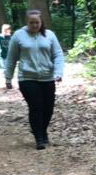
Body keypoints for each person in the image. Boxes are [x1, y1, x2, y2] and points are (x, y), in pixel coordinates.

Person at [4, 10, 64, 149]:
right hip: (27, 78)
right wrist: (8, 77)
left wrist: (58, 72)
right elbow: (11, 57)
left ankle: (42, 131)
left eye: (37, 22)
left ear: (41, 22)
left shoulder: (49, 35)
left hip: (47, 77)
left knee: (48, 108)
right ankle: (39, 138)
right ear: (27, 22)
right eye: (31, 22)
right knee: (35, 106)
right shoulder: (18, 35)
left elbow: (58, 54)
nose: (34, 25)